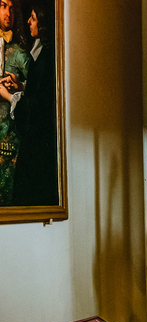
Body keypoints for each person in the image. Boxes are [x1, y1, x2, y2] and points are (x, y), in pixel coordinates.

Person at [3, 1, 56, 205]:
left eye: (32, 18)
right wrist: (20, 87)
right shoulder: (40, 53)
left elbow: (38, 108)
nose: (28, 22)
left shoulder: (44, 57)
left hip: (37, 146)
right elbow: (39, 91)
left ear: (42, 23)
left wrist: (8, 96)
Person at [0, 0, 28, 205]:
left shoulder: (19, 52)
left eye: (11, 7)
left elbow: (37, 92)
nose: (7, 12)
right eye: (2, 6)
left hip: (9, 137)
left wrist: (19, 86)